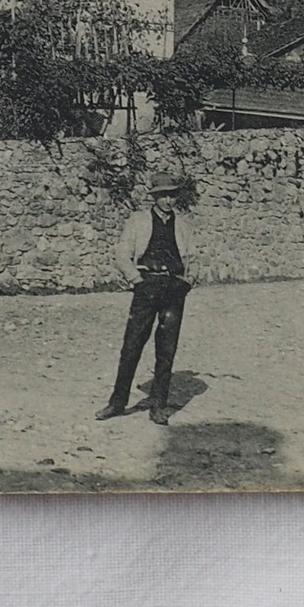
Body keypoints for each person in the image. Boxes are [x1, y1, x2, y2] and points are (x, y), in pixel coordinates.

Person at [95, 173, 194, 426]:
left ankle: (159, 405)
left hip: (173, 289)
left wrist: (187, 281)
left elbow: (193, 257)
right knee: (132, 345)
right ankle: (117, 403)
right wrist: (135, 280)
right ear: (154, 197)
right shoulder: (138, 221)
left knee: (166, 348)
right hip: (146, 286)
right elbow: (122, 254)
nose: (169, 200)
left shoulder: (182, 224)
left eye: (172, 195)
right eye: (163, 195)